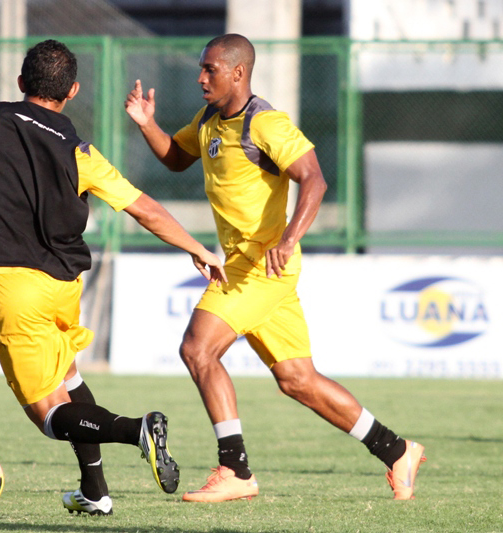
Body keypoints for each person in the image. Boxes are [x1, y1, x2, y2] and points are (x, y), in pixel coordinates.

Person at [0, 39, 227, 515]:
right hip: (62, 289)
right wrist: (198, 249)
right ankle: (95, 492)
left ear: (21, 83)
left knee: (49, 415)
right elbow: (144, 208)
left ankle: (137, 429)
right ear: (72, 92)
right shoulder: (79, 150)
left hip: (9, 289)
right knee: (69, 376)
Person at [124, 33, 426, 502]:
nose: (201, 78)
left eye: (210, 70)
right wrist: (147, 123)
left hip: (259, 267)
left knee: (197, 349)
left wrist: (288, 240)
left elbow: (315, 179)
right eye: (201, 69)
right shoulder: (207, 119)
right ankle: (397, 450)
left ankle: (235, 469)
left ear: (238, 72)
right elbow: (176, 158)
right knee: (298, 380)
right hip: (255, 269)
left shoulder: (265, 124)